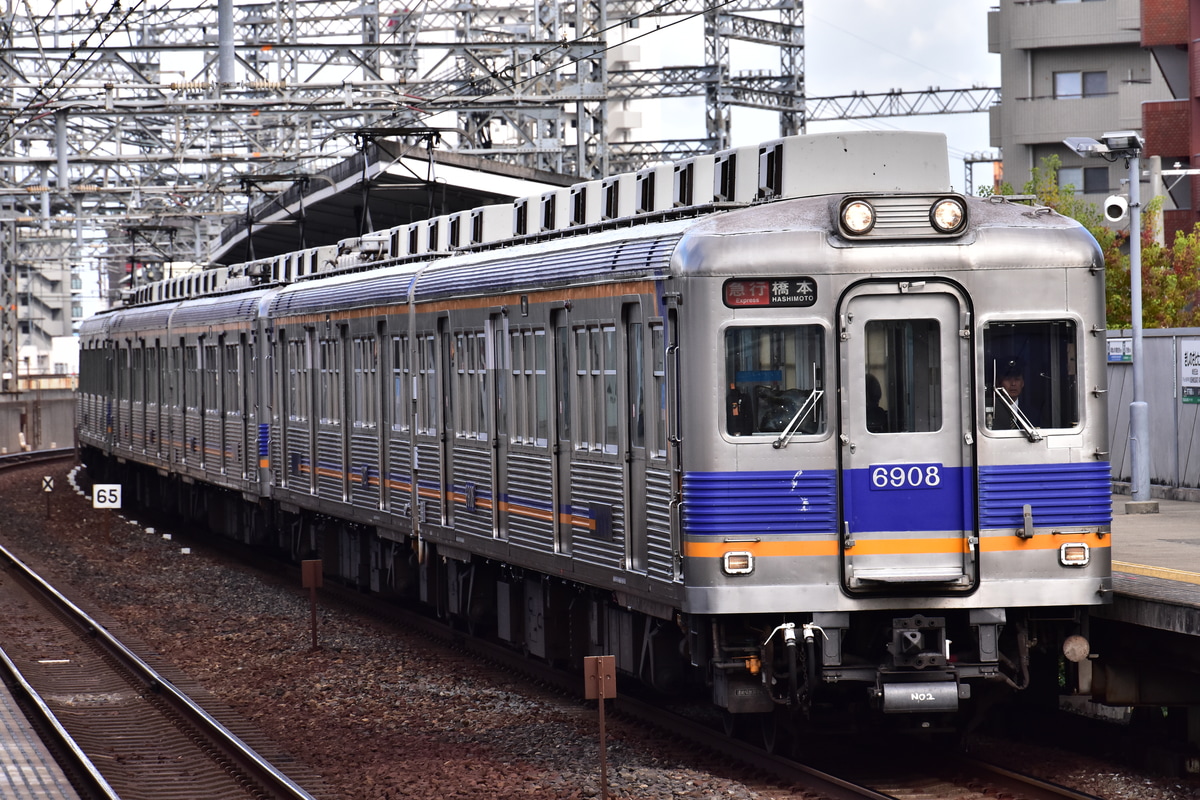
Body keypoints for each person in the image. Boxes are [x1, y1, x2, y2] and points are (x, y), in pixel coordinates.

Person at [992, 358, 1036, 429]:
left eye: (1017, 379)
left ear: (1023, 383)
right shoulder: (991, 411)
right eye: (1007, 379)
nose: (1013, 384)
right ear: (998, 383)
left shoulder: (1033, 414)